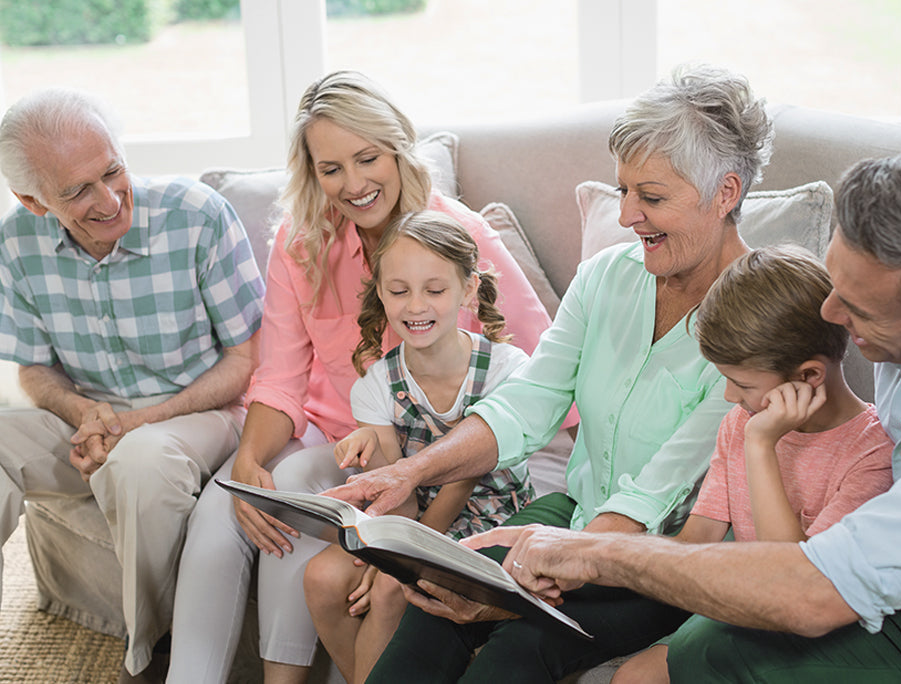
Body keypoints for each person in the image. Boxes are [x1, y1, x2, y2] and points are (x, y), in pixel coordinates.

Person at [462, 148, 901, 683]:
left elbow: (810, 591)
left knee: (712, 655)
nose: (830, 313)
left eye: (857, 309)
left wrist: (588, 550)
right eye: (837, 281)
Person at [328, 63, 776, 682]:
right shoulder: (606, 278)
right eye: (621, 191)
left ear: (725, 193)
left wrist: (532, 578)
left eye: (650, 197)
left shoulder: (761, 322)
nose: (625, 216)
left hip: (666, 554)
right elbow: (528, 402)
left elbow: (659, 490)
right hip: (574, 510)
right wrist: (410, 472)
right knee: (436, 598)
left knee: (518, 646)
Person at [166, 71, 553, 684]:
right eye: (331, 168)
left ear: (398, 148)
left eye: (368, 158)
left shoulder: (458, 236)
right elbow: (281, 378)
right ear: (311, 172)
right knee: (226, 508)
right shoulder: (301, 242)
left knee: (296, 492)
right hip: (338, 433)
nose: (353, 184)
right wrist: (247, 460)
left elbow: (540, 364)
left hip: (429, 451)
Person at [0, 88, 265, 682]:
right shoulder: (16, 241)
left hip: (200, 411)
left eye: (113, 170)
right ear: (33, 200)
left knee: (141, 461)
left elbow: (246, 358)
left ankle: (146, 656)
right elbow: (33, 370)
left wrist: (139, 423)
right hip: (92, 420)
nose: (109, 198)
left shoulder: (196, 214)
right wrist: (82, 411)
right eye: (77, 191)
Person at [612, 245, 894, 683]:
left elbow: (792, 582)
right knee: (635, 677)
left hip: (820, 626)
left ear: (809, 377)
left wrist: (761, 445)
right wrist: (602, 561)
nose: (729, 397)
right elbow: (695, 542)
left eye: (741, 383)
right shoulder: (739, 421)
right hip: (749, 605)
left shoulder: (873, 454)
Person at [301, 210, 535, 683]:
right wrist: (389, 548)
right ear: (381, 293)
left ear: (468, 290)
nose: (415, 306)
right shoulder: (376, 385)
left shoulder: (507, 369)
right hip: (412, 519)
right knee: (321, 578)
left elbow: (462, 478)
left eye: (434, 289)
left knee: (389, 589)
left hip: (492, 519)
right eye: (399, 290)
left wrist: (397, 564)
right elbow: (400, 498)